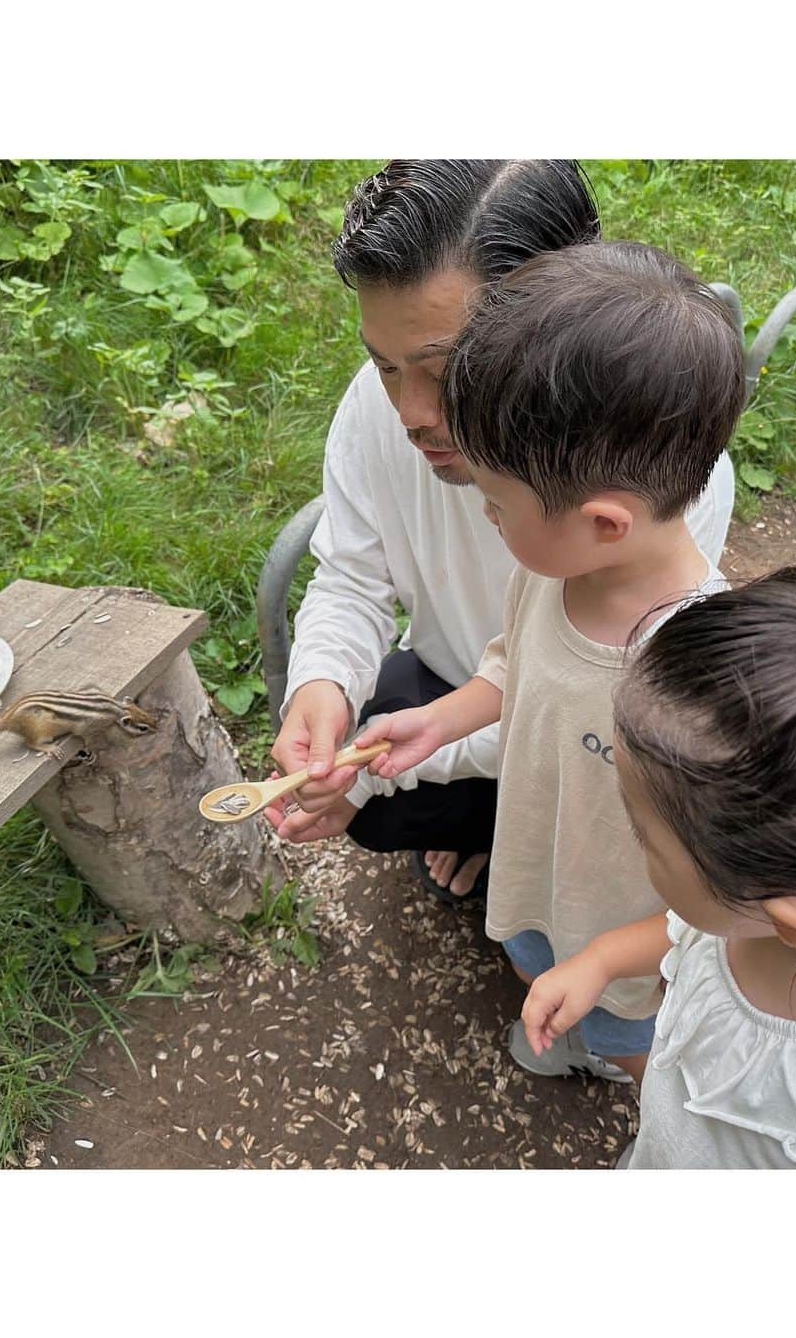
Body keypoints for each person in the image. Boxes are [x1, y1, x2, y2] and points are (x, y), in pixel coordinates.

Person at [266, 160, 737, 904]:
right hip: (472, 688)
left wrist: (397, 765)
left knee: (597, 824)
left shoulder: (658, 489)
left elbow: (590, 715)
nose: (410, 414)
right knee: (379, 797)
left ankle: (521, 854)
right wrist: (321, 685)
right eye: (384, 364)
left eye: (447, 368)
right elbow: (350, 576)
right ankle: (501, 838)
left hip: (584, 732)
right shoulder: (378, 407)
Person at [355, 239, 746, 1083]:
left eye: (496, 504)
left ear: (604, 521)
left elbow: (724, 899)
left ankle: (630, 1086)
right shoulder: (554, 574)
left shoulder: (699, 679)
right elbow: (512, 667)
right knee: (536, 958)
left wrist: (607, 958)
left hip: (635, 941)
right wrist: (440, 717)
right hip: (536, 864)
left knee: (629, 1041)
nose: (487, 519)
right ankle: (568, 1013)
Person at [522, 532, 796, 1167]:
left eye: (645, 836)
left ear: (784, 916)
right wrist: (604, 959)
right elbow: (692, 936)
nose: (632, 838)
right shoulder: (767, 909)